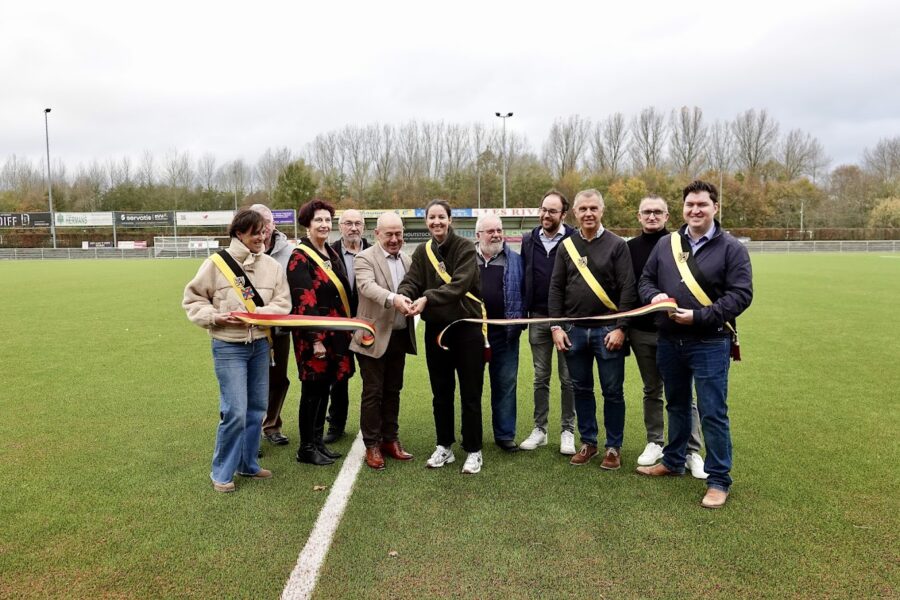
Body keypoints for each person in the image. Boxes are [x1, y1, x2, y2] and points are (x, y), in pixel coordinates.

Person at [637, 180, 753, 509]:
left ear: (715, 208)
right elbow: (645, 280)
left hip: (709, 341)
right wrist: (654, 296)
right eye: (690, 205)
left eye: (702, 204)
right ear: (683, 208)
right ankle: (673, 461)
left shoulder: (732, 248)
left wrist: (700, 317)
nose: (695, 210)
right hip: (670, 341)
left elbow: (741, 295)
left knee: (712, 411)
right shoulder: (667, 245)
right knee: (676, 405)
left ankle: (719, 479)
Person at [183, 208, 291, 492]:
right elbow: (193, 300)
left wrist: (257, 315)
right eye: (255, 232)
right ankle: (221, 471)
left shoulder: (273, 266)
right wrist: (214, 317)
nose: (262, 237)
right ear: (239, 233)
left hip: (260, 346)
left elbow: (283, 304)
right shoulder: (216, 264)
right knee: (235, 411)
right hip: (228, 346)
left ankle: (248, 464)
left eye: (264, 231)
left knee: (257, 409)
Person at [549, 189, 637, 470]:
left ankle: (613, 447)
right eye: (583, 209)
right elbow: (556, 288)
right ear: (575, 212)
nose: (588, 213)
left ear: (602, 211)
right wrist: (556, 327)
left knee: (612, 391)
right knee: (581, 389)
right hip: (574, 331)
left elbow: (628, 288)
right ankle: (588, 442)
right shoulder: (567, 246)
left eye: (593, 208)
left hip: (609, 332)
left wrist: (622, 327)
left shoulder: (617, 245)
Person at [397, 199, 486, 475]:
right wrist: (404, 295)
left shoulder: (465, 248)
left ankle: (473, 450)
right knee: (441, 392)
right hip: (436, 331)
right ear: (426, 222)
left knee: (471, 392)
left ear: (450, 219)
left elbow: (459, 285)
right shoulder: (422, 252)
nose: (436, 222)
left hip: (466, 328)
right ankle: (444, 446)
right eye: (431, 218)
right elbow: (412, 280)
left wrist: (426, 299)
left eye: (441, 217)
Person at [627, 196, 707, 479]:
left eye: (657, 212)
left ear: (667, 215)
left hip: (678, 332)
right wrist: (624, 326)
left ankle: (691, 450)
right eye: (646, 212)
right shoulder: (630, 248)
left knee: (686, 395)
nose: (652, 216)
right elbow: (630, 288)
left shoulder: (680, 243)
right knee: (652, 390)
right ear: (639, 216)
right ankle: (655, 440)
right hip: (642, 332)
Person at [288, 199, 355, 466]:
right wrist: (315, 339)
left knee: (325, 388)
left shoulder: (332, 253)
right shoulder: (299, 257)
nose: (324, 224)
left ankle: (317, 443)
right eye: (319, 220)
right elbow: (303, 300)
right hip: (314, 336)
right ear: (307, 224)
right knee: (312, 390)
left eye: (327, 220)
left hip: (336, 333)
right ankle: (306, 447)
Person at [350, 213, 417, 470]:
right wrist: (394, 299)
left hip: (399, 336)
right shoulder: (364, 258)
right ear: (377, 234)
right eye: (388, 234)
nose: (394, 239)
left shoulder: (408, 260)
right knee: (373, 392)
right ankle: (372, 444)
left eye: (398, 234)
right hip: (372, 336)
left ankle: (390, 439)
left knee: (393, 390)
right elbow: (367, 287)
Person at [519, 190, 577, 455]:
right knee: (540, 378)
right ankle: (540, 430)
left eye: (552, 211)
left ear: (563, 214)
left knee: (568, 379)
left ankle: (568, 430)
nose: (546, 215)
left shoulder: (575, 239)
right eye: (543, 209)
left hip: (568, 320)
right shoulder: (529, 239)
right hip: (538, 318)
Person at [474, 215, 525, 452]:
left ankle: (505, 435)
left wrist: (519, 322)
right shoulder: (465, 260)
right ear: (478, 235)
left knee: (505, 385)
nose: (496, 234)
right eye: (490, 231)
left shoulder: (515, 260)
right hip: (471, 335)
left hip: (504, 335)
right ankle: (471, 435)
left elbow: (525, 292)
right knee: (471, 387)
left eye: (499, 230)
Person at [248, 204, 295, 448]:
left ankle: (271, 425)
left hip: (279, 327)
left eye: (267, 221)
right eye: (259, 222)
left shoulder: (289, 251)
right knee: (250, 379)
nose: (264, 227)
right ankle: (250, 431)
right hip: (249, 329)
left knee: (278, 378)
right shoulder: (241, 250)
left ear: (274, 224)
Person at [323, 209, 370, 444]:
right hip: (339, 325)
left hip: (368, 324)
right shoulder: (328, 253)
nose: (353, 228)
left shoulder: (375, 250)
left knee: (371, 378)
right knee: (338, 378)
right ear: (339, 227)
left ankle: (373, 425)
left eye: (358, 223)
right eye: (348, 223)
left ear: (364, 226)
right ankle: (336, 424)